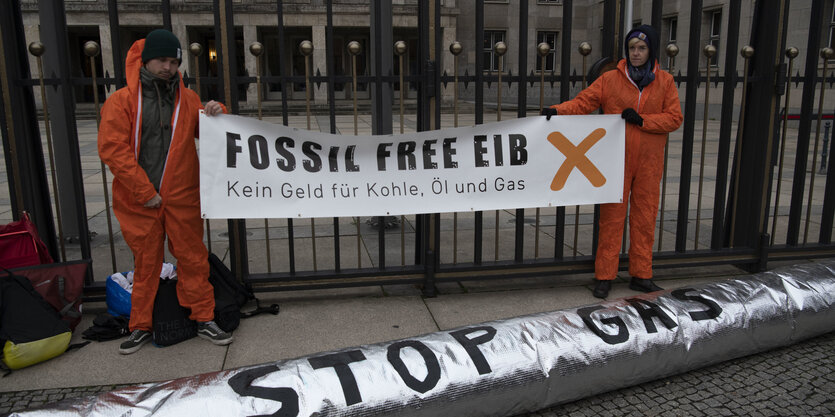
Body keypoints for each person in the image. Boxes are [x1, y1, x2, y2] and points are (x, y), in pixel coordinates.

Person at [98, 29, 232, 354]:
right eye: (162, 60)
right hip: (138, 200)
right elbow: (113, 149)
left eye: (174, 61)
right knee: (146, 263)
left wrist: (218, 112)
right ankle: (141, 325)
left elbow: (208, 131)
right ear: (146, 60)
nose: (168, 67)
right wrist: (145, 191)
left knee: (193, 258)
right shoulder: (121, 102)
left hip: (182, 194)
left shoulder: (188, 99)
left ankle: (204, 318)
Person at [541, 25, 683, 299]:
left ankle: (642, 275)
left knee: (645, 217)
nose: (636, 53)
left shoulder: (665, 82)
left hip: (649, 164)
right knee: (611, 219)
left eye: (641, 48)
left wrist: (644, 121)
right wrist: (557, 111)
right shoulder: (610, 80)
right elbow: (584, 102)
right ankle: (605, 275)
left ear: (650, 50)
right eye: (632, 49)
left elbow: (675, 118)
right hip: (616, 160)